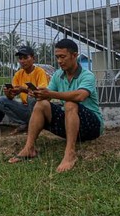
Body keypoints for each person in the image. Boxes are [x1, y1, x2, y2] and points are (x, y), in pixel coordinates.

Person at [9, 38, 103, 173]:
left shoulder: (87, 75)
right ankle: (29, 148)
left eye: (63, 57)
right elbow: (48, 94)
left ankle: (70, 153)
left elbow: (80, 96)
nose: (59, 61)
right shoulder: (58, 75)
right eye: (57, 57)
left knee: (71, 103)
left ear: (74, 55)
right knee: (41, 104)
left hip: (92, 126)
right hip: (69, 125)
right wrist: (39, 94)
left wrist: (50, 94)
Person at [0, 45, 50, 135]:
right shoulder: (18, 74)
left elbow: (40, 93)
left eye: (25, 57)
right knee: (1, 100)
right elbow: (11, 96)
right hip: (25, 108)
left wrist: (23, 90)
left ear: (33, 58)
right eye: (20, 58)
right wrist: (9, 93)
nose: (22, 61)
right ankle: (24, 124)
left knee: (31, 97)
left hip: (38, 108)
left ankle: (35, 123)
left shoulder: (40, 72)